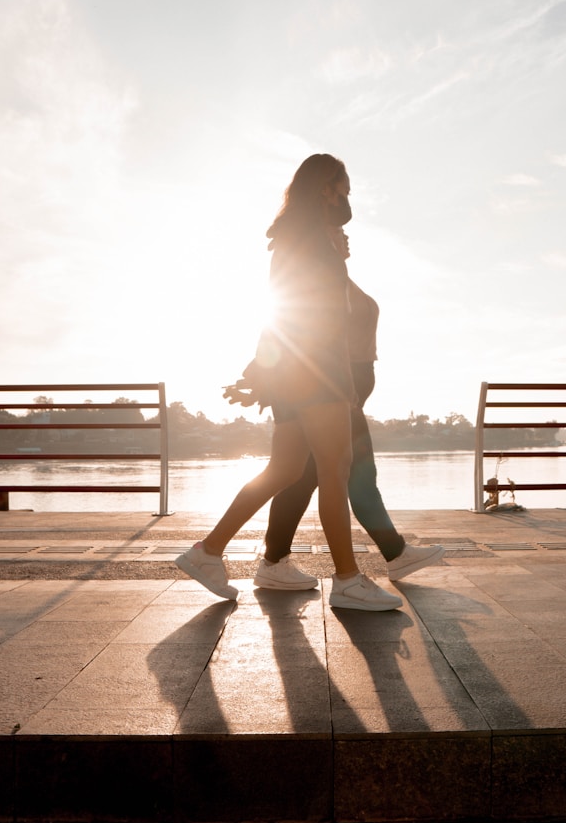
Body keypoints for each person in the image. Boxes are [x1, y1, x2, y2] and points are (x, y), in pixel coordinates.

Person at [175, 154, 402, 611]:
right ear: (325, 188)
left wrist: (263, 373)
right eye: (343, 186)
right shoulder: (311, 241)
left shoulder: (298, 238)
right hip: (320, 373)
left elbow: (277, 311)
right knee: (335, 471)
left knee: (284, 471)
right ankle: (348, 581)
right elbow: (299, 311)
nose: (348, 195)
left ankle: (206, 553)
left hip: (297, 377)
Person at [253, 226, 444, 591]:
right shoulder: (323, 278)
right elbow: (290, 324)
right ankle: (391, 554)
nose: (346, 236)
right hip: (335, 389)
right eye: (339, 232)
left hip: (345, 387)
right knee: (355, 473)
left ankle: (273, 560)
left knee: (305, 475)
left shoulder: (340, 276)